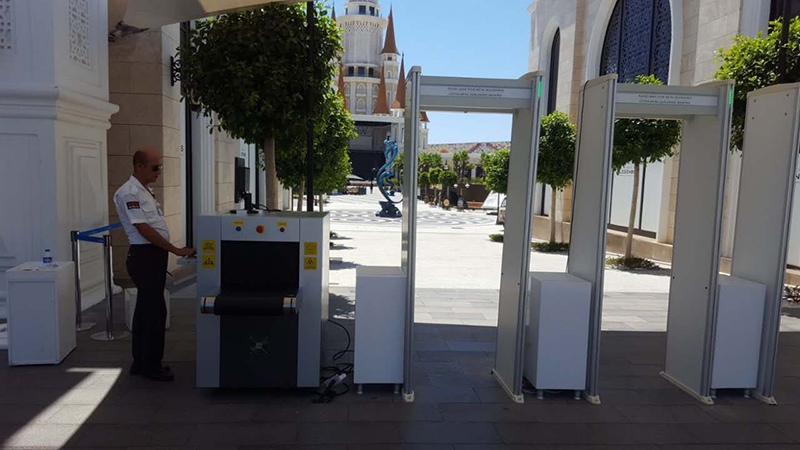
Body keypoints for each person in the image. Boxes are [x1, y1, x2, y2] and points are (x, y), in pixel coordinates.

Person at [113, 148, 196, 381]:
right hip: (144, 257)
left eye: (159, 167)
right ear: (138, 166)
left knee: (144, 311)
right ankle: (152, 366)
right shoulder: (130, 193)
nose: (159, 172)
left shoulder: (145, 191)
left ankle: (140, 362)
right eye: (154, 167)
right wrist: (176, 249)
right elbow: (144, 229)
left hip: (152, 256)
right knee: (155, 313)